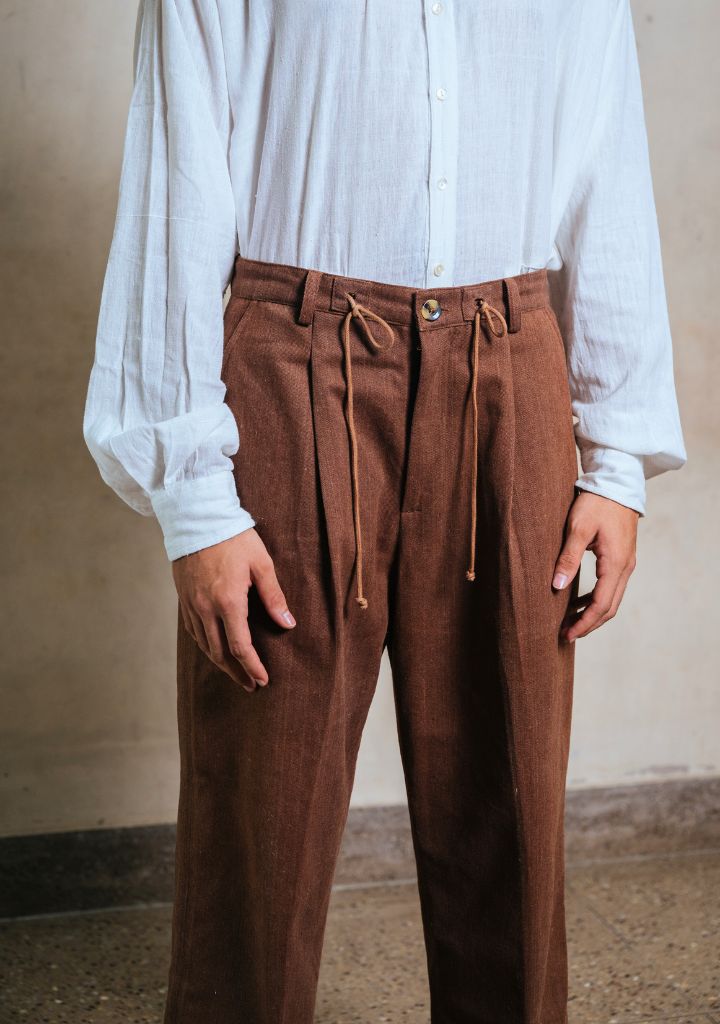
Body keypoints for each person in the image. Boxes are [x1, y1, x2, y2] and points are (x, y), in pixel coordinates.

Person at [83, 1, 687, 1021]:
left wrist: (616, 458)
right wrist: (194, 497)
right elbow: (175, 184)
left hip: (509, 359)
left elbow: (604, 169)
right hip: (291, 360)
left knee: (511, 792)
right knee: (262, 807)